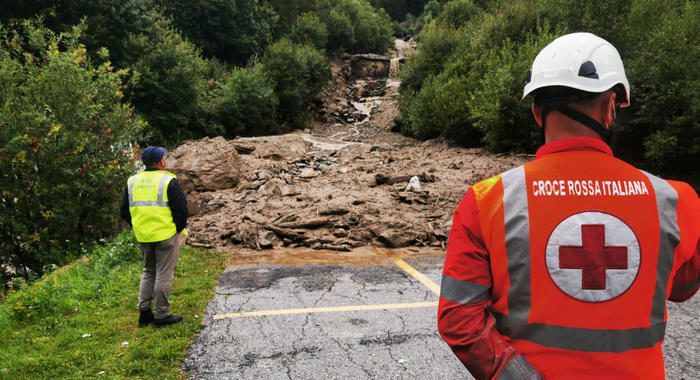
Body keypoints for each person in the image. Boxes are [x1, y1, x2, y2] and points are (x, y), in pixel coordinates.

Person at [437, 32, 700, 380]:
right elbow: (682, 288)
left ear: (536, 113)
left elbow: (458, 319)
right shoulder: (676, 199)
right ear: (610, 107)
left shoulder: (486, 201)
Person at [120, 146, 189, 328]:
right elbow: (181, 210)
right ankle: (162, 315)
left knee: (149, 271)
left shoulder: (132, 181)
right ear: (161, 162)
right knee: (164, 273)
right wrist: (178, 229)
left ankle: (144, 313)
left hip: (143, 235)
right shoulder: (168, 180)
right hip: (166, 234)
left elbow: (124, 211)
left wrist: (139, 226)